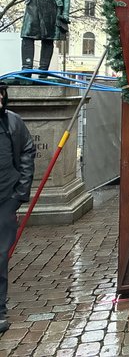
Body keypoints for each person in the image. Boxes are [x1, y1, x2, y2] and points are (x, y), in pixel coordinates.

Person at [0, 85, 35, 334]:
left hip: (5, 199)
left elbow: (27, 150)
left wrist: (20, 193)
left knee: (0, 256)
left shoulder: (13, 122)